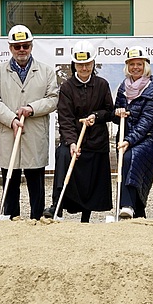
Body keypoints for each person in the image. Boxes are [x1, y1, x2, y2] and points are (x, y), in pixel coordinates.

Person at [0, 25, 59, 219]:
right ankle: (11, 219)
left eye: (25, 45)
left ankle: (36, 220)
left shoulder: (45, 71)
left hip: (34, 135)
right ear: (10, 47)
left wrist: (32, 108)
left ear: (31, 46)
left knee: (36, 185)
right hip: (9, 134)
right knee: (10, 183)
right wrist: (11, 119)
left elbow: (53, 99)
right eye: (17, 46)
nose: (21, 50)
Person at [50, 40, 114, 223]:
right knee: (62, 154)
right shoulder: (67, 87)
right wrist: (71, 143)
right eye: (80, 64)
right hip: (75, 141)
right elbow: (65, 118)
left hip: (96, 141)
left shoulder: (102, 84)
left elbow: (109, 112)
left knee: (94, 174)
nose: (84, 68)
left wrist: (95, 115)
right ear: (74, 64)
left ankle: (87, 216)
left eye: (87, 64)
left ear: (93, 63)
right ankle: (58, 206)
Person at [112, 46, 153, 219]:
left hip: (147, 137)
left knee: (128, 158)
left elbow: (147, 120)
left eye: (139, 64)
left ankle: (126, 205)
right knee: (128, 165)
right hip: (126, 136)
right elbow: (115, 115)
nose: (135, 68)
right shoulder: (122, 88)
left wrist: (129, 141)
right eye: (132, 64)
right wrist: (117, 113)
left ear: (145, 65)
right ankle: (137, 211)